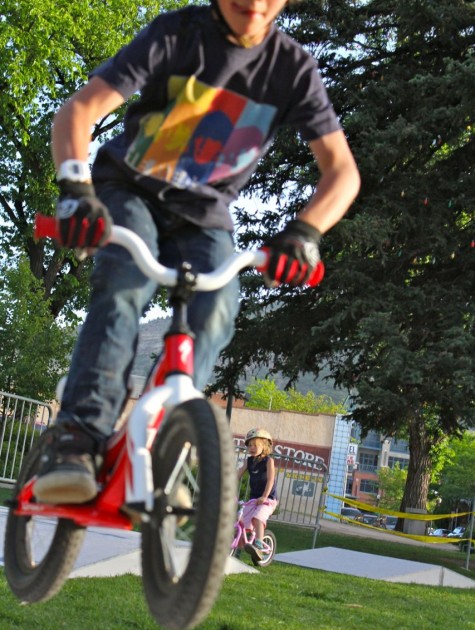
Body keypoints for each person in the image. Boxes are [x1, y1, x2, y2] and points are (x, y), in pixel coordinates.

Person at [34, 0, 361, 504]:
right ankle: (78, 437)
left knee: (218, 305)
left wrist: (304, 233)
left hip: (205, 215)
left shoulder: (291, 68)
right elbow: (79, 109)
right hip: (130, 189)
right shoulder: (177, 33)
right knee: (125, 283)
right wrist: (77, 192)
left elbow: (342, 171)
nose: (253, 4)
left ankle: (170, 443)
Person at [237, 428, 278, 563]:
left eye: (255, 445)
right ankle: (239, 546)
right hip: (254, 499)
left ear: (264, 446)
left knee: (258, 518)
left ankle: (259, 544)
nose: (252, 448)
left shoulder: (268, 461)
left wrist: (265, 496)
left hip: (268, 499)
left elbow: (271, 480)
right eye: (249, 445)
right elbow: (237, 475)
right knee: (241, 521)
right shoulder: (249, 461)